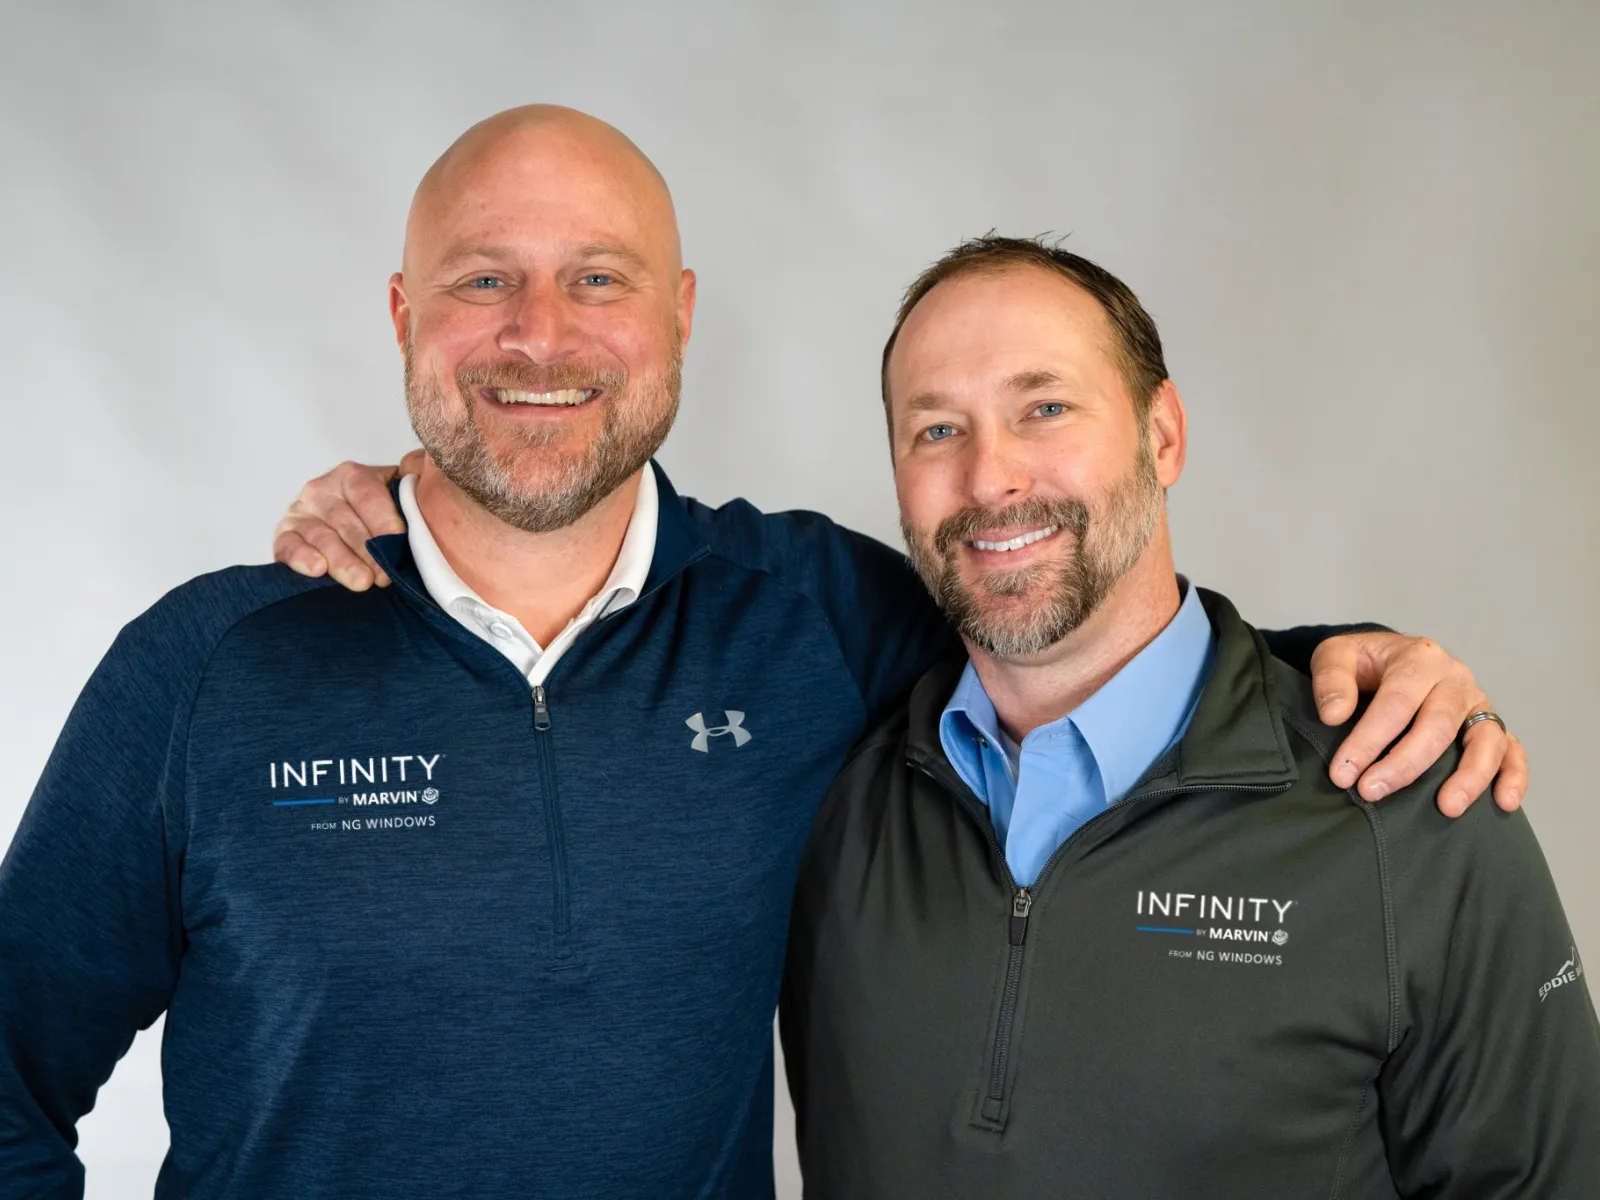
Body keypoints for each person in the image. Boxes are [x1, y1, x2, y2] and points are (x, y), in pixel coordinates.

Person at [0, 106, 1521, 1200]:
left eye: (599, 279)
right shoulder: (208, 667)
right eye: (483, 280)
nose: (541, 333)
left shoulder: (814, 617)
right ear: (407, 317)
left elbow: (1068, 613)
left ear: (676, 317)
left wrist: (1346, 663)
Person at [779, 235, 1600, 1197]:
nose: (991, 478)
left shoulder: (1407, 800)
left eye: (1044, 408)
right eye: (936, 430)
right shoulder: (828, 783)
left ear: (1161, 435)